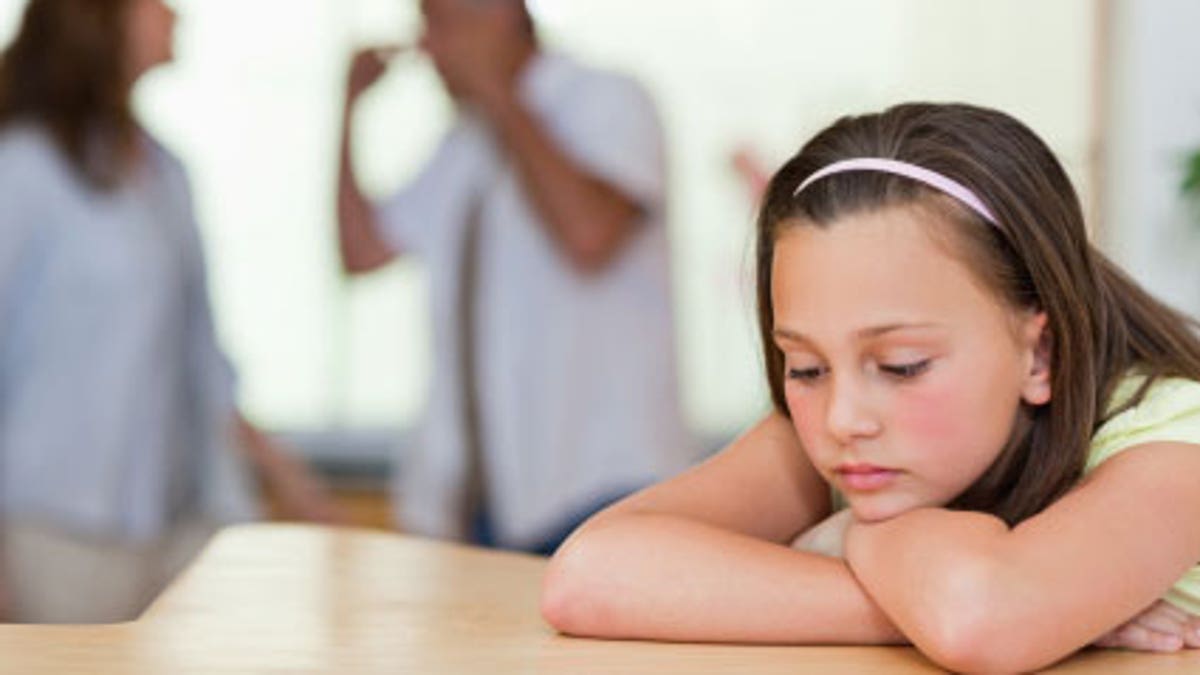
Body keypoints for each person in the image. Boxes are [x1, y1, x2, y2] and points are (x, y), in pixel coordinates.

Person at [541, 102, 1200, 672]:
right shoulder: (849, 431)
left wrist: (858, 536)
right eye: (804, 367)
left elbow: (980, 618)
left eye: (903, 364)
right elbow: (589, 573)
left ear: (1040, 353)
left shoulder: (1176, 441)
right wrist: (918, 599)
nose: (843, 418)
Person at [0, 0, 345, 623]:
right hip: (54, 536)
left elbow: (200, 362)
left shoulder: (164, 172)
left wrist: (289, 478)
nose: (176, 14)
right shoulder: (22, 170)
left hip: (172, 525)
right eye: (155, 3)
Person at [338, 0, 693, 553]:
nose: (427, 48)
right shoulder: (463, 144)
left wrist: (502, 96)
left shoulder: (608, 99)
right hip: (497, 506)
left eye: (439, 24)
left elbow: (588, 234)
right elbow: (361, 252)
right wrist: (349, 111)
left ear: (498, 14)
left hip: (607, 489)